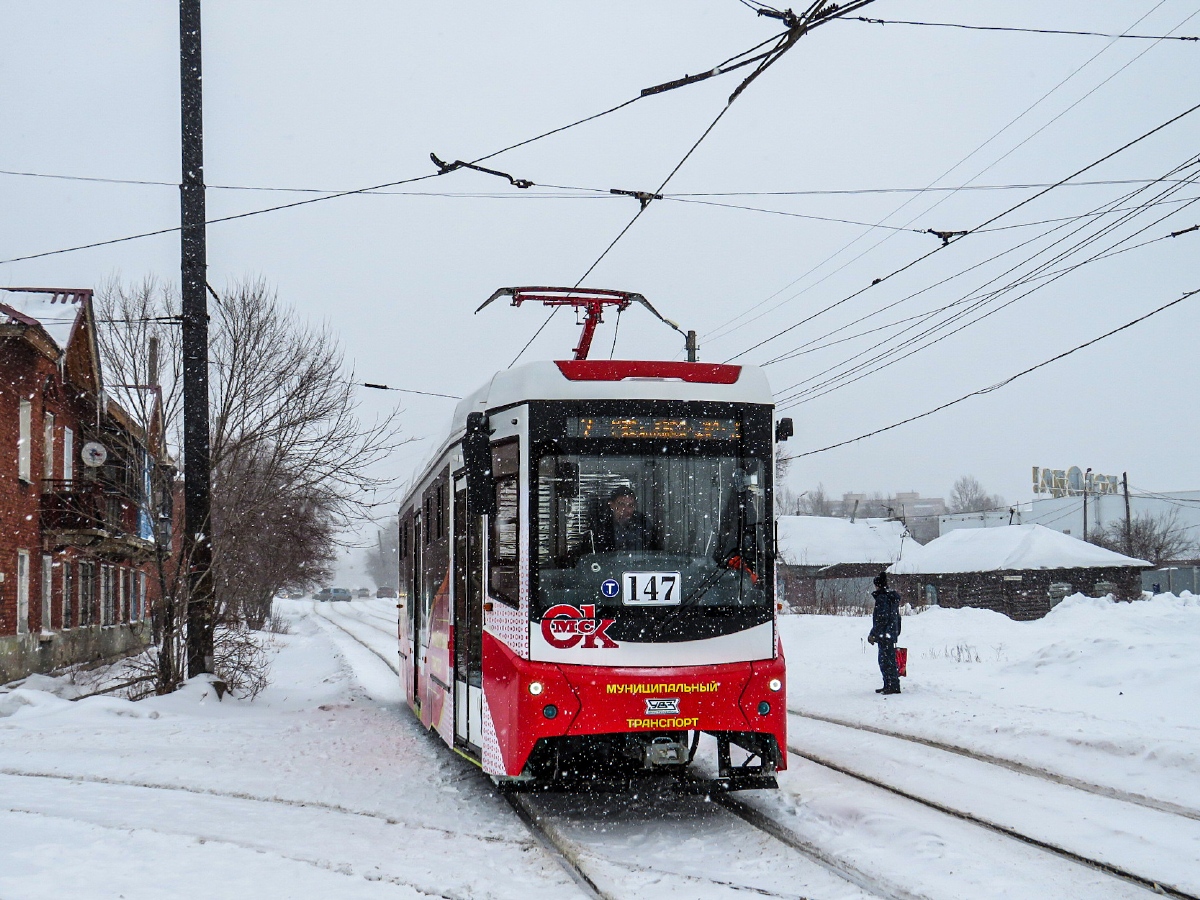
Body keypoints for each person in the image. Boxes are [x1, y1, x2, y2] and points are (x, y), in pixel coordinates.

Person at [575, 485, 658, 557]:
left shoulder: (643, 523)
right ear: (611, 505)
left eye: (631, 505)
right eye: (621, 504)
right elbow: (590, 554)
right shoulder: (600, 525)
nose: (627, 509)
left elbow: (655, 552)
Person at [867, 571, 902, 695]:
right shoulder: (891, 598)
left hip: (884, 634)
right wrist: (895, 631)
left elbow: (881, 619)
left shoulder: (882, 598)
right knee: (889, 660)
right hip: (890, 633)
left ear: (878, 585)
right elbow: (897, 617)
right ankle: (890, 684)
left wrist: (873, 634)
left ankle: (891, 685)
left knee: (885, 661)